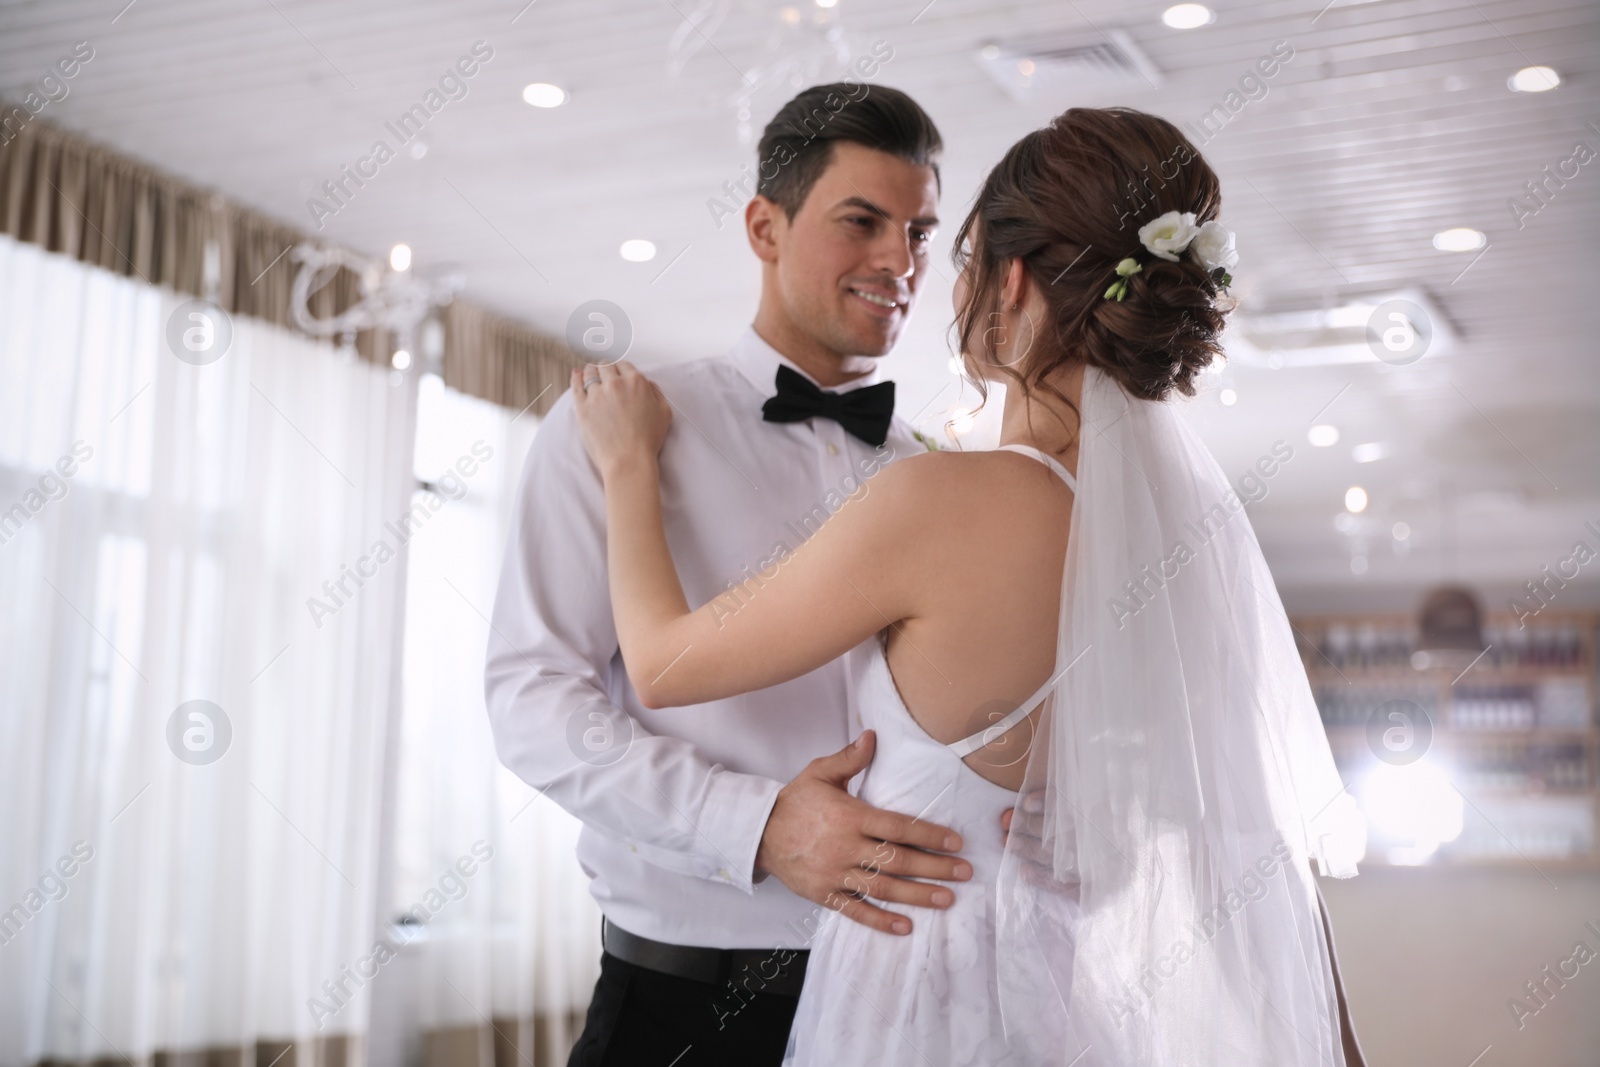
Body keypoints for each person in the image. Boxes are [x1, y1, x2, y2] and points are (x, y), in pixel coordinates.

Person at [571, 106, 1369, 1065]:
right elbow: (1249, 842)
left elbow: (659, 662)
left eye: (954, 254)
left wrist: (625, 469)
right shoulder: (1187, 542)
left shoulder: (938, 499)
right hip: (1069, 1007)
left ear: (1013, 280)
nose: (928, 278)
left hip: (914, 1002)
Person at [484, 83, 980, 1066]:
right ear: (764, 225)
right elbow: (531, 697)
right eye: (863, 221)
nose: (901, 260)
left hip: (910, 1001)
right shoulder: (620, 424)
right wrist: (755, 826)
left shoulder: (934, 476)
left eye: (920, 231)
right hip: (682, 1011)